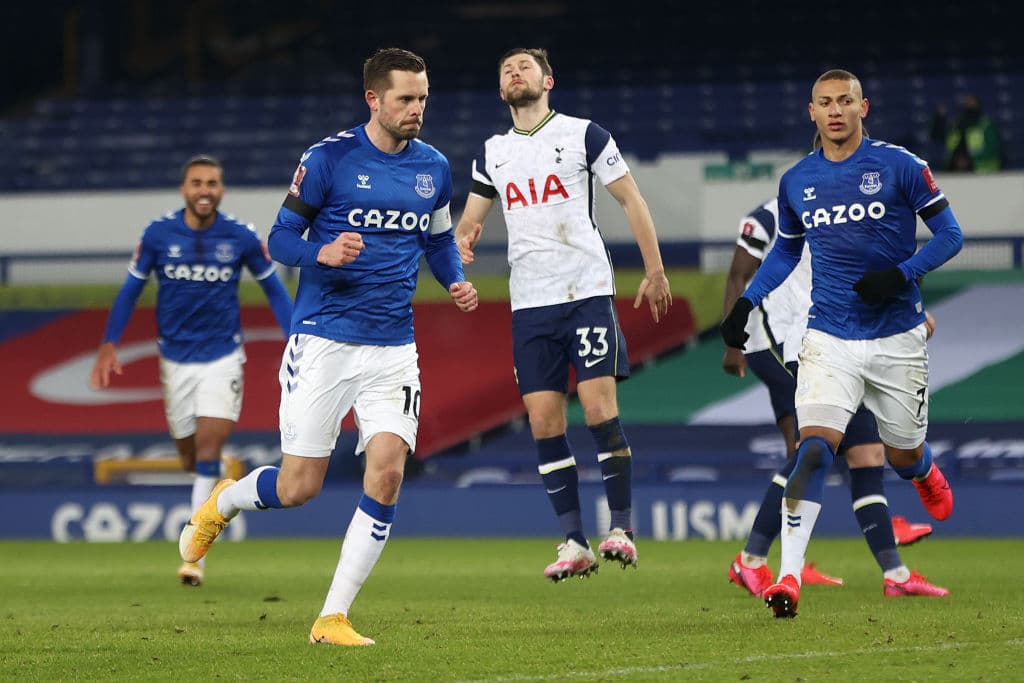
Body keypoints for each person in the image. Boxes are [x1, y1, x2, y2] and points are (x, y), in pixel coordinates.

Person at [178, 48, 478, 647]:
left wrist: (455, 280)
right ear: (373, 99)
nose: (417, 108)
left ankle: (332, 616)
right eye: (405, 99)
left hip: (393, 346)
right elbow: (279, 239)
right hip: (323, 341)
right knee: (299, 488)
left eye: (422, 97)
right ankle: (225, 501)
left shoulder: (436, 167)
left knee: (387, 472)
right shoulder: (328, 159)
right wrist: (322, 252)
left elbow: (439, 240)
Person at [720, 68, 963, 618]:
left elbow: (951, 236)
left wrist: (901, 274)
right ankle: (786, 579)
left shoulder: (901, 166)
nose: (834, 110)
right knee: (813, 448)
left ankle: (922, 469)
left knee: (898, 453)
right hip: (828, 334)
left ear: (863, 107)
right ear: (812, 113)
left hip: (896, 335)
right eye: (824, 102)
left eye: (845, 101)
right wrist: (745, 304)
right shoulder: (797, 181)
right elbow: (784, 251)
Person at [455, 48, 672, 582]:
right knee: (544, 422)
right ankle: (574, 541)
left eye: (524, 66)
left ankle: (620, 528)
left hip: (586, 292)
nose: (513, 72)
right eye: (505, 68)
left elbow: (632, 200)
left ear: (547, 80)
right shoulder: (492, 153)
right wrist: (460, 244)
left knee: (598, 410)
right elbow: (469, 223)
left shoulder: (584, 134)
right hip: (530, 304)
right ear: (500, 89)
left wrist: (655, 269)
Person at [723, 198, 945, 599]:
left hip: (840, 336)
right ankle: (755, 558)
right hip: (789, 341)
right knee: (814, 448)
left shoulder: (850, 208)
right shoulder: (776, 211)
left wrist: (909, 311)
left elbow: (868, 267)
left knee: (865, 454)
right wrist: (733, 344)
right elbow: (739, 271)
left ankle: (894, 573)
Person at [89, 154, 293, 588]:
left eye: (213, 183)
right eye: (197, 182)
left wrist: (298, 339)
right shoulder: (159, 234)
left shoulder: (240, 236)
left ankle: (193, 557)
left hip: (223, 357)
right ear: (184, 189)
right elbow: (131, 289)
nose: (205, 190)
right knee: (189, 455)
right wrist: (110, 342)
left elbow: (274, 289)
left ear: (222, 189)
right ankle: (212, 495)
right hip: (174, 361)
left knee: (208, 449)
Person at [929, 94, 1003, 173]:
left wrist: (968, 159)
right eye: (967, 104)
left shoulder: (986, 126)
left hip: (981, 173)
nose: (969, 106)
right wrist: (939, 119)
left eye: (972, 103)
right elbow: (938, 136)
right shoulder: (957, 126)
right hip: (954, 171)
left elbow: (993, 149)